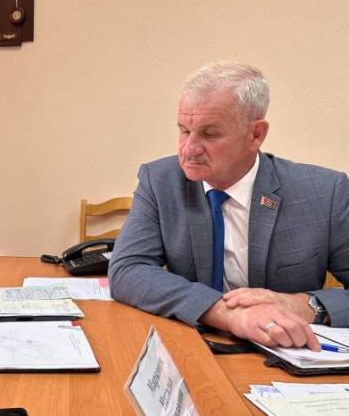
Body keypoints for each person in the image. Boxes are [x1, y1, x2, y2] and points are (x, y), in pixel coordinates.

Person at [109, 61, 349, 351]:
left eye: (209, 134)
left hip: (285, 355)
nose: (189, 149)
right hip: (188, 349)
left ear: (256, 134)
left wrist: (303, 305)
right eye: (184, 130)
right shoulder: (160, 181)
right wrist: (226, 314)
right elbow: (128, 269)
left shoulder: (324, 192)